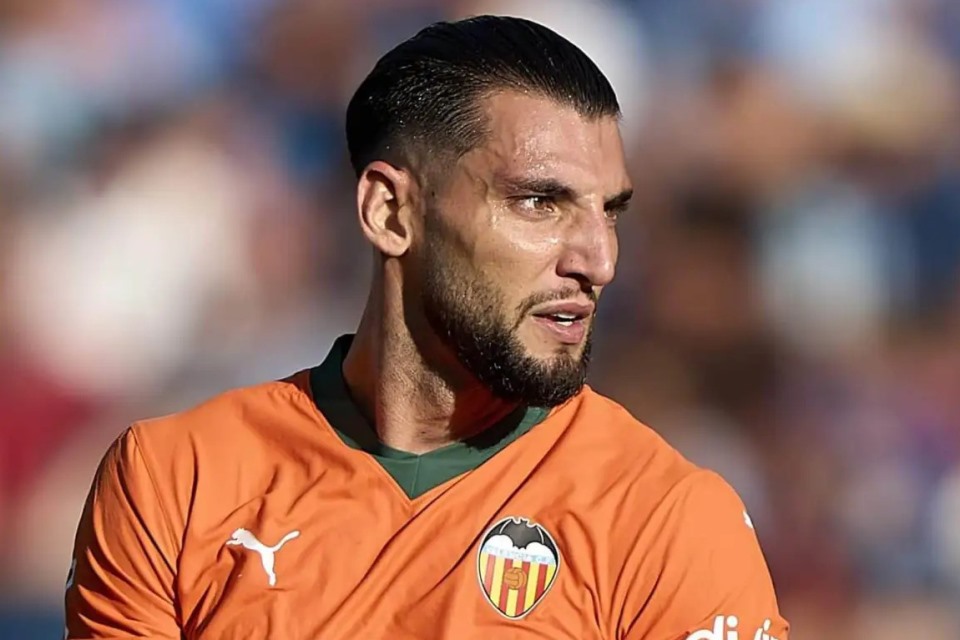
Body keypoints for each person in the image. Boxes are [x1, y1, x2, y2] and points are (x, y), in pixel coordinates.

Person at [65, 15, 789, 640]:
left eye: (610, 213)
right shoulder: (177, 481)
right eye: (540, 203)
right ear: (390, 212)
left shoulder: (665, 520)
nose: (598, 261)